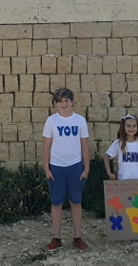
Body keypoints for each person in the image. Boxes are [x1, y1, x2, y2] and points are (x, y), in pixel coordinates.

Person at [43, 88, 90, 252]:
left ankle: (78, 238)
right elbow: (47, 146)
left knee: (76, 202)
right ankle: (56, 238)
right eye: (60, 101)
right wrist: (46, 168)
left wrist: (87, 167)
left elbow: (84, 144)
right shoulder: (51, 121)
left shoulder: (80, 120)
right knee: (56, 203)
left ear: (72, 103)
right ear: (55, 104)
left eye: (66, 101)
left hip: (75, 166)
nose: (63, 104)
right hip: (56, 167)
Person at [103, 114, 138, 180]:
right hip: (124, 182)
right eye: (128, 126)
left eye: (134, 126)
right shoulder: (118, 143)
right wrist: (109, 172)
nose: (131, 128)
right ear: (123, 127)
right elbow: (106, 156)